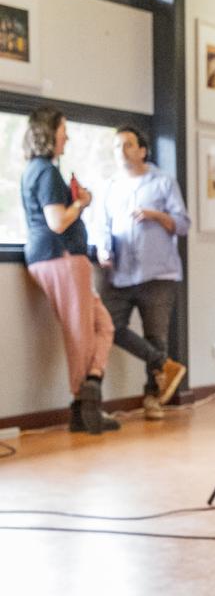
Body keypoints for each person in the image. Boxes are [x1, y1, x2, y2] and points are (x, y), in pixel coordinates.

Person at [20, 106, 118, 434]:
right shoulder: (45, 172)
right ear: (50, 132)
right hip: (61, 257)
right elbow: (57, 221)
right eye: (64, 130)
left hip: (55, 257)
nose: (68, 137)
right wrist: (81, 204)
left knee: (103, 325)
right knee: (80, 332)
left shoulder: (34, 170)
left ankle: (88, 388)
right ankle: (82, 405)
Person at [95, 127, 189, 420]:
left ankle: (153, 398)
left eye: (127, 145)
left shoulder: (163, 182)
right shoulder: (110, 186)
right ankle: (165, 365)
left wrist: (156, 215)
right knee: (109, 326)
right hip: (121, 274)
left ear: (142, 150)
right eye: (116, 146)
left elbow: (183, 224)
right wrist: (101, 250)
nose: (121, 151)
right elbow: (101, 227)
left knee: (155, 335)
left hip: (158, 274)